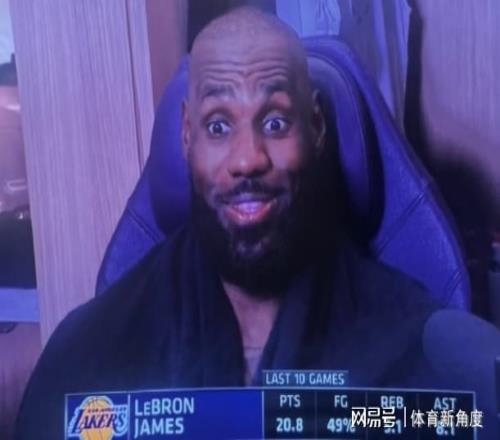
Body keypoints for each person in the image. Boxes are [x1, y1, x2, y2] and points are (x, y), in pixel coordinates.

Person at [14, 6, 498, 439]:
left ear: (317, 127)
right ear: (187, 136)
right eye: (218, 126)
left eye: (275, 122)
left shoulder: (429, 359)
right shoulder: (86, 355)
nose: (247, 159)